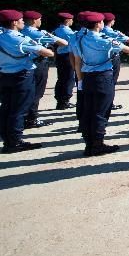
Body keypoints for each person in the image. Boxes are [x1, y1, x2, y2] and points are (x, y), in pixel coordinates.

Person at [70, 11, 129, 156]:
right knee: (101, 112)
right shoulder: (103, 39)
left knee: (89, 111)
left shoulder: (79, 39)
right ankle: (98, 144)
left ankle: (89, 143)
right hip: (102, 78)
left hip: (86, 77)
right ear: (99, 24)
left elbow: (76, 61)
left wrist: (80, 80)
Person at [0, 9, 53, 153]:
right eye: (21, 20)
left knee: (6, 108)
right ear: (14, 22)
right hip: (21, 76)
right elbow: (47, 52)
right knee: (19, 110)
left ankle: (7, 138)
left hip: (4, 75)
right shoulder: (19, 39)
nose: (23, 22)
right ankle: (15, 142)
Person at [22, 10, 68, 128]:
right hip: (38, 64)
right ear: (33, 21)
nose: (40, 21)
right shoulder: (39, 34)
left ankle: (23, 116)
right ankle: (31, 118)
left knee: (24, 92)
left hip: (22, 64)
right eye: (40, 19)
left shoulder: (19, 31)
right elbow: (63, 43)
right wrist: (50, 37)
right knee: (37, 92)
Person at [101, 12, 129, 111]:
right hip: (113, 58)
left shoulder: (99, 31)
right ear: (111, 21)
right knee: (112, 81)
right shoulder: (113, 32)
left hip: (102, 58)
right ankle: (109, 103)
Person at [52, 12, 77, 110]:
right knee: (69, 79)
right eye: (71, 19)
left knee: (61, 78)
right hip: (67, 56)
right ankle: (65, 101)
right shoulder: (68, 32)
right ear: (67, 20)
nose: (72, 21)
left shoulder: (56, 30)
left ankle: (60, 100)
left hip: (59, 56)